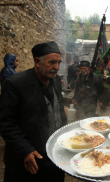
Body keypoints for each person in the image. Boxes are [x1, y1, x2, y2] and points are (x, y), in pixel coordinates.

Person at [0, 41, 66, 182]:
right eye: (52, 62)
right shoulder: (15, 84)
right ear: (37, 61)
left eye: (59, 63)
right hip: (29, 162)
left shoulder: (56, 80)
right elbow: (6, 122)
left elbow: (59, 111)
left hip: (55, 158)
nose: (57, 67)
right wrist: (25, 151)